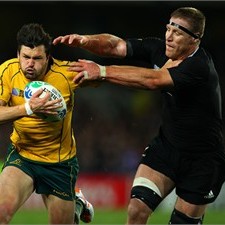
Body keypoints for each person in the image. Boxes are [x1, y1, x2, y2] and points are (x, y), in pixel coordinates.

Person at [53, 7, 225, 224]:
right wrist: (86, 41)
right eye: (168, 28)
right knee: (136, 210)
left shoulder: (200, 67)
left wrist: (103, 71)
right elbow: (116, 46)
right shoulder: (159, 49)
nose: (169, 37)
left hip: (203, 159)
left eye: (178, 32)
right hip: (167, 147)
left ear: (195, 39)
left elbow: (153, 80)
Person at [0, 23, 94, 224]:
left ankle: (75, 204)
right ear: (18, 54)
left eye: (36, 58)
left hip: (59, 163)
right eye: (25, 57)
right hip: (22, 155)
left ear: (48, 57)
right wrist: (28, 108)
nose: (30, 64)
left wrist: (101, 69)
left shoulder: (67, 74)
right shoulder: (7, 71)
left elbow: (108, 76)